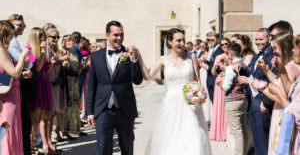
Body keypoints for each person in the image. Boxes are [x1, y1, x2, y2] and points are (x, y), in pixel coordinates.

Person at [137, 28, 211, 155]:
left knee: (193, 138)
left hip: (190, 106)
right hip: (170, 105)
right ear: (170, 42)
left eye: (183, 40)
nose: (182, 43)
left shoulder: (191, 57)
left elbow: (197, 81)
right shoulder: (163, 60)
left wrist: (199, 94)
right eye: (178, 40)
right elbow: (148, 75)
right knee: (170, 140)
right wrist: (138, 56)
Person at [87, 21, 143, 155]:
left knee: (127, 148)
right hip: (103, 110)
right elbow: (92, 86)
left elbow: (138, 80)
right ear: (107, 35)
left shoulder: (129, 54)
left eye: (122, 35)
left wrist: (134, 61)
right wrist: (90, 111)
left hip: (125, 109)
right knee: (103, 149)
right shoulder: (96, 57)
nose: (119, 38)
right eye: (116, 35)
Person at [237, 28, 277, 155]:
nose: (258, 42)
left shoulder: (273, 56)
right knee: (257, 142)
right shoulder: (255, 57)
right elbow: (252, 76)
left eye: (261, 39)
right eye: (256, 39)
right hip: (252, 103)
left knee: (263, 142)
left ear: (269, 39)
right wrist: (241, 71)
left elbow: (273, 82)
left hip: (262, 103)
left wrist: (266, 103)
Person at [0, 20, 30, 155]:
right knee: (8, 130)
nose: (12, 38)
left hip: (12, 94)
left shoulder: (3, 50)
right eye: (10, 35)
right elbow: (14, 73)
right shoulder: (1, 51)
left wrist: (22, 70)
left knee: (12, 129)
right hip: (7, 98)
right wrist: (23, 56)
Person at [7, 14, 34, 155]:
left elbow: (32, 61)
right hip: (9, 92)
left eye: (24, 25)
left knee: (21, 126)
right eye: (19, 25)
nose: (22, 28)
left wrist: (28, 58)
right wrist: (25, 57)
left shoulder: (15, 42)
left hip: (16, 87)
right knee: (12, 128)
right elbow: (21, 64)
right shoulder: (9, 44)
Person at [222, 43, 248, 155]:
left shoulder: (230, 67)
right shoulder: (244, 64)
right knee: (243, 130)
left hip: (233, 100)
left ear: (231, 53)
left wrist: (220, 83)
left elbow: (226, 87)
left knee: (236, 132)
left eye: (228, 53)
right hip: (243, 99)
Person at [209, 37, 230, 141]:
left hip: (229, 83)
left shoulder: (231, 55)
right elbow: (213, 72)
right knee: (219, 106)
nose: (225, 46)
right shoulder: (218, 56)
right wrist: (215, 65)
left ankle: (227, 133)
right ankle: (218, 133)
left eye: (226, 43)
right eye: (222, 44)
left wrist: (227, 64)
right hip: (219, 81)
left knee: (227, 106)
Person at [62, 35, 81, 139]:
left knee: (75, 104)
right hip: (67, 81)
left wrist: (81, 66)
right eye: (68, 41)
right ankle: (64, 129)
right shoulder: (62, 53)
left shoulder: (74, 54)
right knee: (67, 105)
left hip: (75, 80)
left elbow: (77, 69)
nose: (70, 42)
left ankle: (72, 129)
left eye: (71, 41)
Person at [206, 32, 224, 102]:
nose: (210, 41)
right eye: (208, 40)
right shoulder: (213, 49)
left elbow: (217, 66)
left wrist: (207, 67)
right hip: (210, 78)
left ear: (217, 39)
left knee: (216, 101)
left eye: (212, 40)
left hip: (215, 78)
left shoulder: (220, 49)